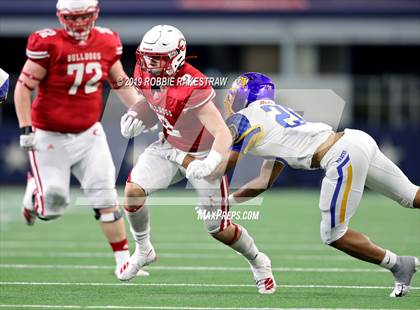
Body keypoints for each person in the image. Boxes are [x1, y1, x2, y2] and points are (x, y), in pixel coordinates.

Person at [161, 72, 420, 298]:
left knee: (334, 234)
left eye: (234, 95)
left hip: (341, 155)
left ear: (244, 96)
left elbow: (222, 166)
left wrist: (185, 160)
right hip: (356, 140)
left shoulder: (241, 120)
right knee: (412, 196)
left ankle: (399, 264)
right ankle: (400, 265)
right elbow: (264, 181)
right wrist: (227, 202)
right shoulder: (278, 115)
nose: (229, 101)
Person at [118, 25, 276, 294]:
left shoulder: (194, 85)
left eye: (158, 58)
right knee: (132, 193)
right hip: (169, 146)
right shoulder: (143, 70)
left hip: (203, 152)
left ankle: (259, 261)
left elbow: (222, 133)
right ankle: (144, 250)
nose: (150, 63)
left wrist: (212, 161)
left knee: (218, 228)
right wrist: (136, 114)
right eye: (148, 56)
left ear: (176, 57)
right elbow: (150, 100)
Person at [14, 0, 148, 277]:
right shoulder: (48, 43)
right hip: (49, 135)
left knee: (106, 197)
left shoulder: (107, 41)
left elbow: (119, 81)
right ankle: (34, 192)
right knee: (53, 205)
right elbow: (23, 87)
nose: (78, 23)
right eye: (72, 17)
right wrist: (26, 128)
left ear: (95, 14)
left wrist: (141, 111)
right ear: (61, 17)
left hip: (89, 133)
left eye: (84, 16)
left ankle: (123, 261)